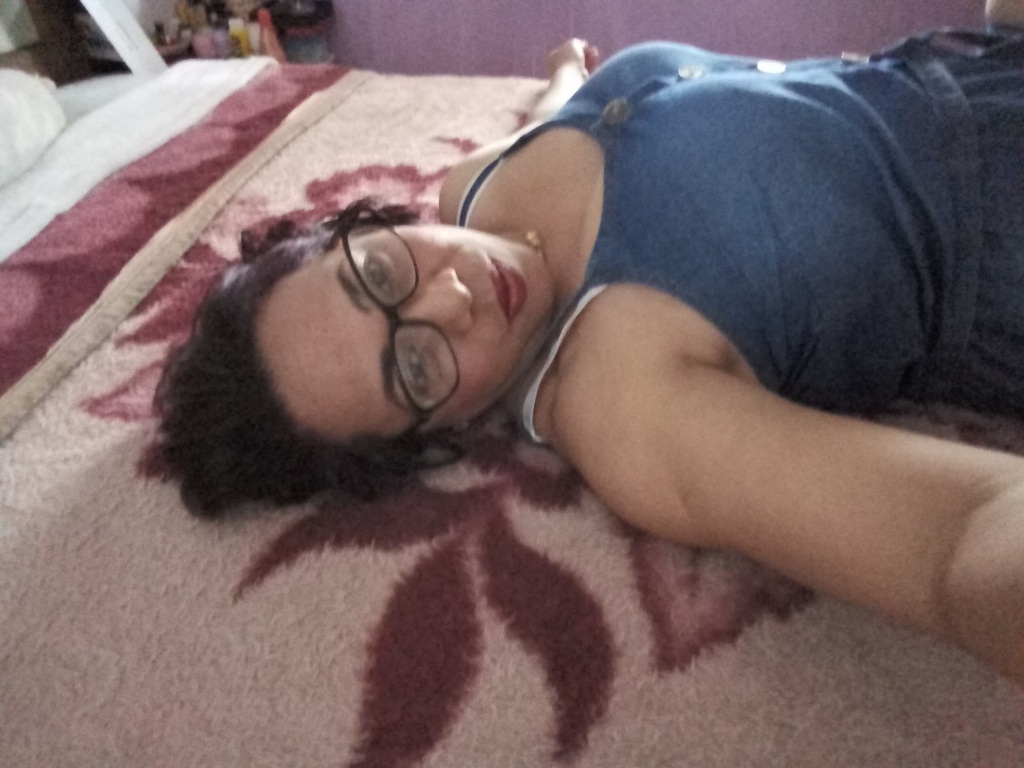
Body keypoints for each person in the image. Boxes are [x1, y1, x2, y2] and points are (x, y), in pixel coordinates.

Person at [156, 4, 1024, 686]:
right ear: (433, 435)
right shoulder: (622, 407)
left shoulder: (469, 191)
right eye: (415, 366)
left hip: (974, 58)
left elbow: (559, 113)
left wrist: (565, 72)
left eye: (379, 271)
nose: (452, 296)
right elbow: (956, 547)